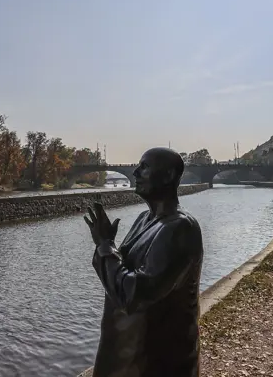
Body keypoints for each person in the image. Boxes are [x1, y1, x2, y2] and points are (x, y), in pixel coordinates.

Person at [84, 147, 204, 377]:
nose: (135, 172)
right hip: (127, 361)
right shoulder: (145, 220)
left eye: (144, 167)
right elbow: (120, 277)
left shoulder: (180, 228)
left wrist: (105, 246)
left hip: (155, 365)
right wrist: (107, 245)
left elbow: (133, 295)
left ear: (169, 176)